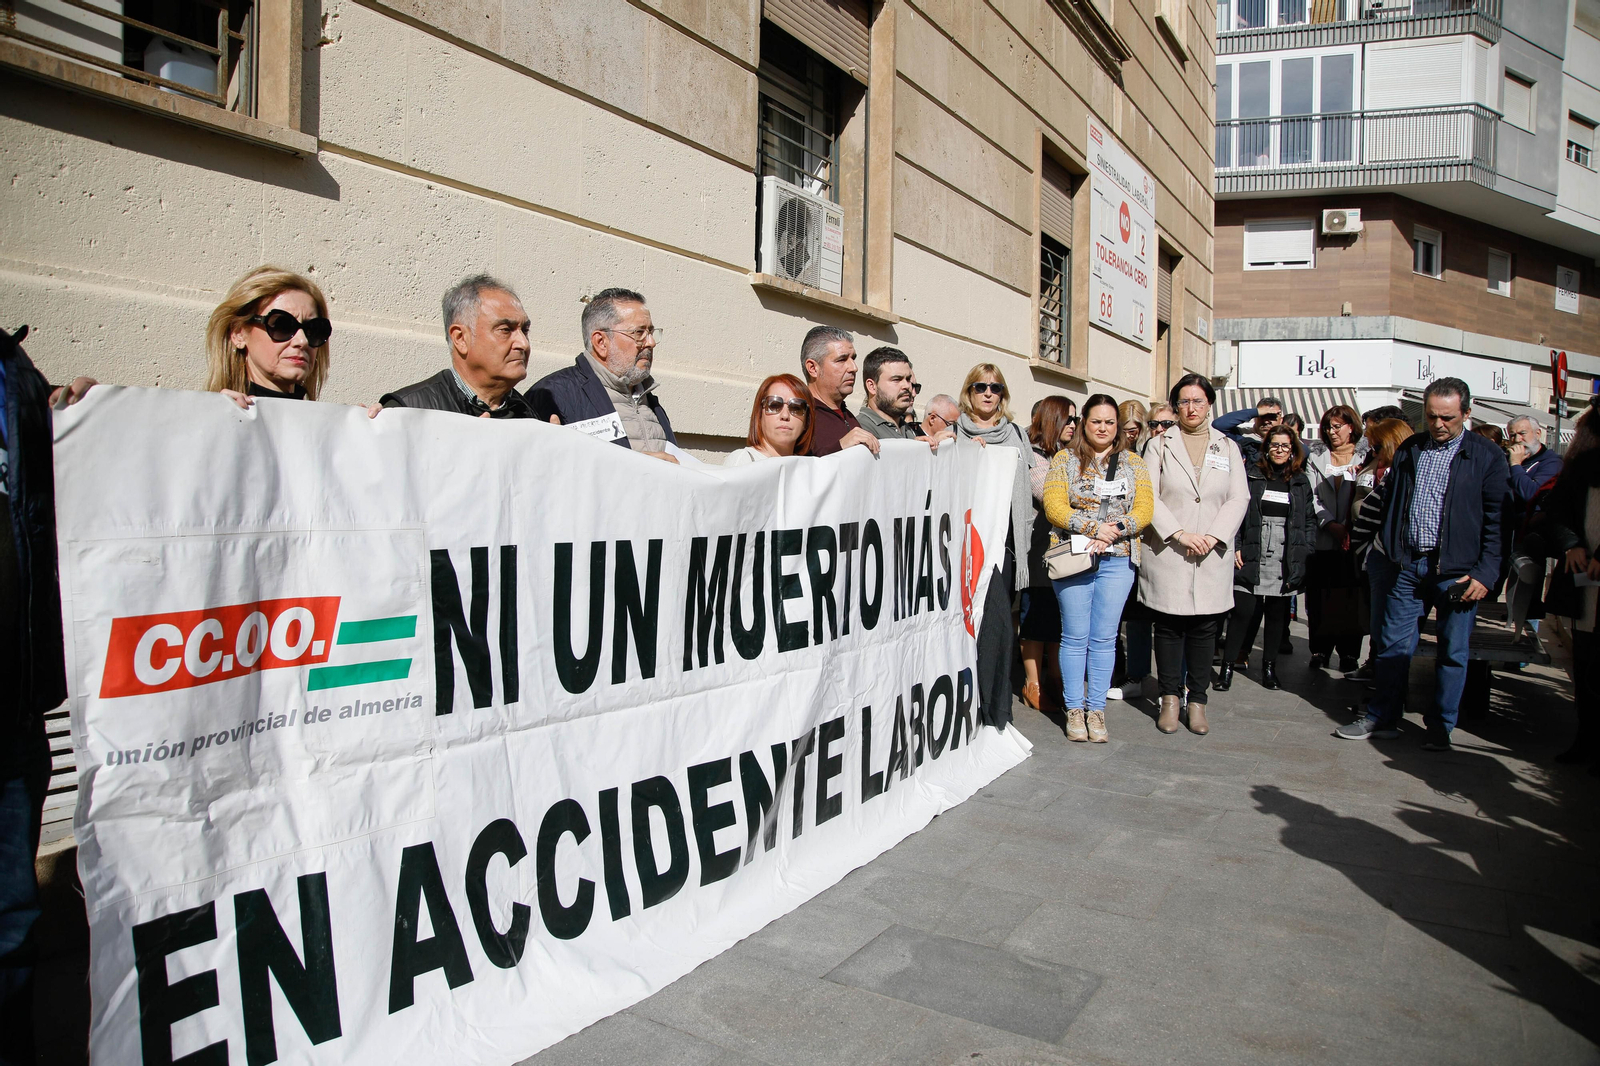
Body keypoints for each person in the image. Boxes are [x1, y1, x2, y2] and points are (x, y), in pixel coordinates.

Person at [1336, 378, 1508, 751]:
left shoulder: (1487, 456)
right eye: (1431, 416)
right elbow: (1391, 502)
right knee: (1393, 645)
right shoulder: (1412, 448)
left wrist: (1485, 572)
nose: (1438, 424)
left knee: (1452, 650)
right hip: (1407, 564)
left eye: (1447, 417)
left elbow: (1498, 522)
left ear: (1466, 411)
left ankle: (1441, 726)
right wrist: (1390, 552)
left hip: (1458, 573)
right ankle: (1383, 715)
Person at [1, 326, 72, 1065]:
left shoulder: (16, 376)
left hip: (14, 707)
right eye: (283, 324)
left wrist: (80, 417)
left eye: (315, 327)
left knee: (13, 920)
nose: (302, 338)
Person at [1139, 373, 1249, 735]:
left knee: (1205, 628)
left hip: (1211, 553)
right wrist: (1180, 533)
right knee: (1169, 627)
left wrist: (1215, 536)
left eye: (1197, 401)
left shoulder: (1228, 447)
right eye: (1183, 401)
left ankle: (1197, 700)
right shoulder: (1159, 445)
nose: (1190, 408)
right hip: (1171, 549)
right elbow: (1148, 496)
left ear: (1209, 405)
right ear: (1175, 406)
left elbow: (1239, 497)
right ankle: (1170, 699)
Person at [1044, 395, 1153, 741]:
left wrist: (1116, 530)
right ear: (1084, 424)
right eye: (1096, 421)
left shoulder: (1134, 464)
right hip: (1075, 557)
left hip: (1118, 559)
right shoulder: (1064, 460)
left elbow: (1145, 508)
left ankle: (1097, 711)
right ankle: (1074, 709)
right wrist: (1093, 528)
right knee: (1075, 636)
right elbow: (1054, 505)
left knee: (1105, 638)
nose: (1103, 428)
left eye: (1109, 422)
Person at [955, 364, 1040, 728]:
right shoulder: (953, 430)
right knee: (967, 623)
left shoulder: (1016, 433)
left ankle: (995, 708)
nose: (988, 393)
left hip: (1004, 544)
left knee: (999, 625)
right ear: (968, 392)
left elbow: (1036, 480)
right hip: (966, 543)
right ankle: (967, 704)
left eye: (995, 388)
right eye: (980, 387)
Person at [1217, 425, 1317, 692]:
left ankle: (1269, 669)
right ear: (1266, 447)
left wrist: (1306, 551)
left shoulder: (1300, 480)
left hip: (1286, 552)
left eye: (1285, 446)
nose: (1280, 451)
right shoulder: (1252, 475)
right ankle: (1227, 667)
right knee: (1242, 612)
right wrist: (1235, 543)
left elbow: (1308, 520)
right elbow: (1236, 511)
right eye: (1275, 445)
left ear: (1293, 450)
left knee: (1276, 614)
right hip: (1253, 547)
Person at [527, 287, 677, 458]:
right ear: (601, 342)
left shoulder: (650, 401)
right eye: (639, 333)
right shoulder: (553, 396)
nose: (650, 342)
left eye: (650, 332)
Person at [380, 274, 536, 418]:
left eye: (525, 330)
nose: (523, 343)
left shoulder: (530, 417)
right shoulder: (407, 412)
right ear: (460, 338)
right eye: (505, 330)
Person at [1543, 403, 1600, 765]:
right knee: (1587, 668)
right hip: (1584, 584)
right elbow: (1557, 509)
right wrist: (1571, 544)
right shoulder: (1580, 465)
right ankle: (1586, 743)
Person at [1020, 396, 1079, 712]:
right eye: (1068, 420)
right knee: (1035, 616)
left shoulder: (1067, 455)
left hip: (1065, 551)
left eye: (1076, 420)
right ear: (1051, 420)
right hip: (1038, 548)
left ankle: (1054, 677)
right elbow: (1051, 495)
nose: (1073, 426)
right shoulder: (1033, 456)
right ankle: (1033, 682)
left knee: (1057, 618)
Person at [1345, 418, 1415, 680]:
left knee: (1386, 622)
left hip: (1383, 556)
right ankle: (1376, 668)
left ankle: (1382, 677)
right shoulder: (1379, 467)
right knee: (1375, 618)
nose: (1373, 452)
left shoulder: (1401, 475)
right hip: (1368, 553)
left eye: (1376, 447)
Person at [205, 266, 333, 408]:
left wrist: (356, 424)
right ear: (238, 333)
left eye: (313, 329)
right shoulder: (209, 414)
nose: (302, 341)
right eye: (282, 325)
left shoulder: (326, 423)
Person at [1304, 405, 1368, 672]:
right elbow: (1312, 497)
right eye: (1328, 427)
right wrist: (1330, 523)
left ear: (1351, 427)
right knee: (1320, 597)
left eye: (1337, 426)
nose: (1332, 432)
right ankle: (1320, 649)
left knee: (1350, 596)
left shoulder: (1365, 457)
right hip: (1324, 537)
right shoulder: (1316, 457)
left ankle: (1349, 652)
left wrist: (1350, 527)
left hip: (1355, 539)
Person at [798, 326, 880, 457]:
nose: (854, 368)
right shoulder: (798, 415)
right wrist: (840, 446)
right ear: (813, 368)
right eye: (842, 360)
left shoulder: (849, 417)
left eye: (853, 358)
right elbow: (793, 469)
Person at [724, 374, 814, 466]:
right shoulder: (744, 460)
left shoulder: (807, 468)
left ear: (807, 421)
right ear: (759, 416)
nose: (785, 415)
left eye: (796, 408)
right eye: (774, 405)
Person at [856, 347, 921, 441]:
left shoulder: (906, 429)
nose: (906, 386)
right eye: (896, 379)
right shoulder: (862, 429)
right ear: (872, 386)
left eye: (908, 379)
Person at [1506, 416, 1563, 505]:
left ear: (1537, 434)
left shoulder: (1552, 463)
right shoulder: (1505, 460)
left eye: (1522, 433)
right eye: (1512, 435)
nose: (1517, 439)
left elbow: (1533, 494)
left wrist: (1515, 464)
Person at [1214, 395, 1282, 466]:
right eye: (1262, 416)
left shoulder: (1285, 441)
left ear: (1281, 420)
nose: (1266, 421)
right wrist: (1255, 412)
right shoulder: (1242, 434)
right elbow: (1218, 425)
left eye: (1272, 417)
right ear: (1255, 417)